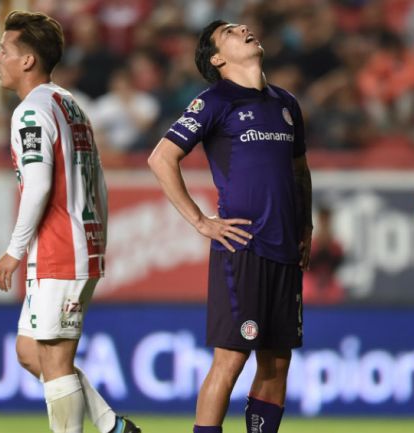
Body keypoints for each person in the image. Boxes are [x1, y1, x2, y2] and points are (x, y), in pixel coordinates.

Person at [147, 20, 312, 433]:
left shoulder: (286, 103)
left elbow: (299, 169)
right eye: (231, 32)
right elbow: (161, 158)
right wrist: (201, 221)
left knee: (277, 362)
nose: (246, 30)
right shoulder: (214, 101)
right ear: (217, 58)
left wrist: (304, 224)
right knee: (232, 359)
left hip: (286, 248)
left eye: (243, 27)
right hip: (243, 247)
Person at [0, 10, 140, 433]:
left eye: (4, 51)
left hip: (59, 248)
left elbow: (37, 187)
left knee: (55, 362)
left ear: (27, 61)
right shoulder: (69, 104)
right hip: (74, 244)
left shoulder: (30, 112)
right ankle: (111, 425)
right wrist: (99, 241)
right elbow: (98, 181)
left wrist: (12, 251)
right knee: (28, 351)